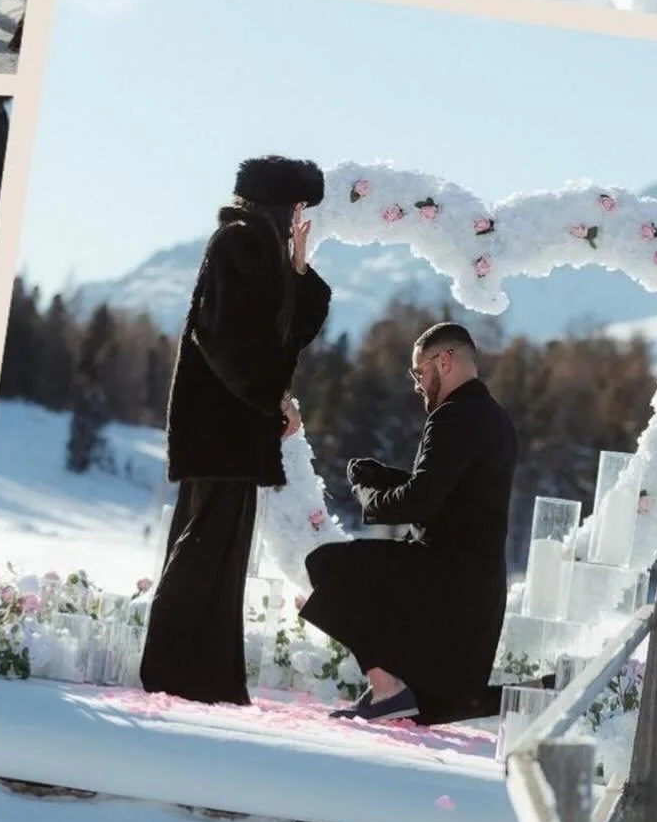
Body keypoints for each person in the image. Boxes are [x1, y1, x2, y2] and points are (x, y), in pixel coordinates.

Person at [141, 154, 331, 706]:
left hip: (230, 428)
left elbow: (286, 335)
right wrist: (272, 398)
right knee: (206, 551)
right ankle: (179, 675)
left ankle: (201, 677)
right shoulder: (241, 242)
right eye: (297, 205)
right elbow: (228, 340)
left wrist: (299, 272)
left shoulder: (256, 245)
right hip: (222, 429)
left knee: (217, 553)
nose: (300, 216)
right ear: (281, 202)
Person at [301, 320, 518, 724]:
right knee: (434, 708)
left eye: (419, 372)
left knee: (328, 565)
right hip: (478, 592)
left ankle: (387, 687)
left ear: (445, 360)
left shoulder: (451, 416)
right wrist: (385, 478)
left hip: (442, 579)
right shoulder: (495, 419)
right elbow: (452, 496)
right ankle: (398, 692)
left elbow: (418, 504)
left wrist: (366, 490)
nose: (417, 384)